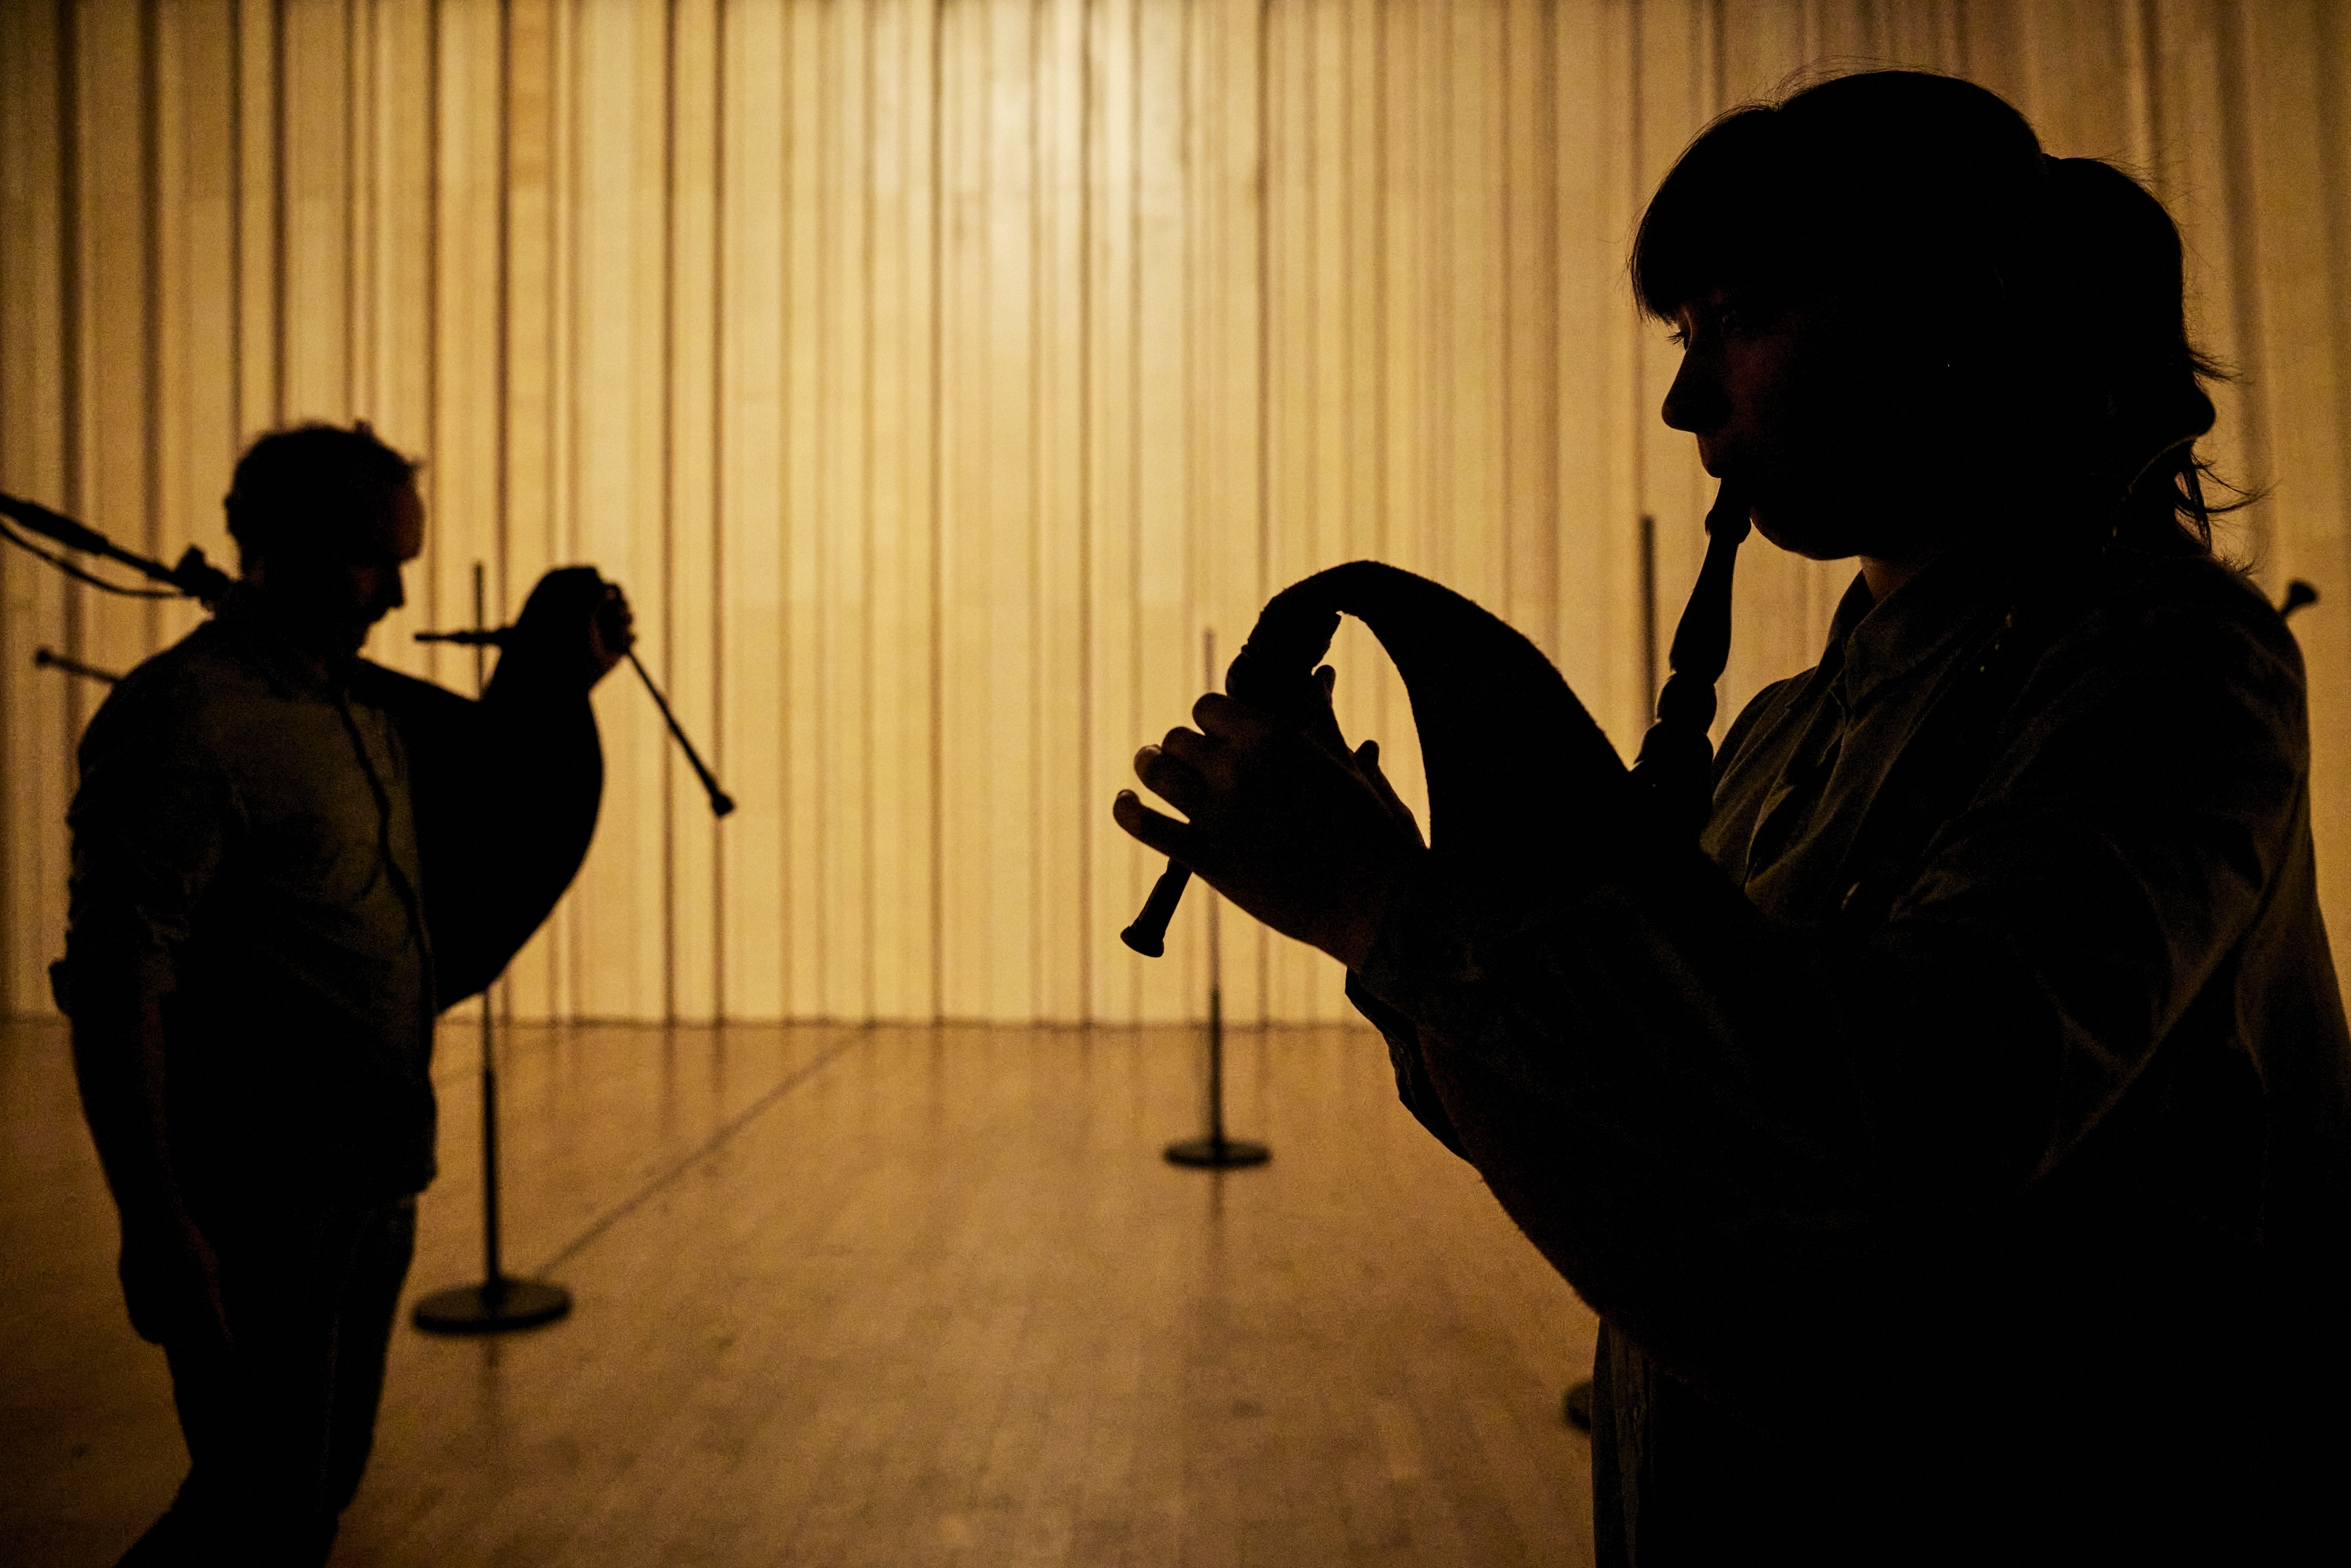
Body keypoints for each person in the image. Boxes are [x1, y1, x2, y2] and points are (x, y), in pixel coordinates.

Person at [1115, 71, 2351, 1563]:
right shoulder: (1781, 731)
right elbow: (1630, 1125)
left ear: (1943, 318)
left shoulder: (2176, 670)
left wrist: (1400, 914)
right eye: (1686, 336)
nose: (1687, 402)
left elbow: (1923, 1118)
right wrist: (1391, 915)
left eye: (1742, 320)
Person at [58, 422, 629, 1566]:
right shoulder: (186, 720)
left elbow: (500, 774)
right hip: (260, 1194)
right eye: (374, 562)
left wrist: (558, 677)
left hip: (374, 1172)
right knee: (254, 1505)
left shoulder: (358, 708)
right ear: (281, 547)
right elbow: (119, 983)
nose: (399, 595)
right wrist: (157, 1224)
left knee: (309, 1495)